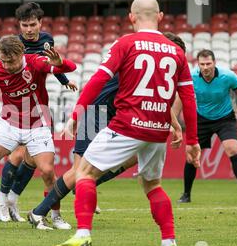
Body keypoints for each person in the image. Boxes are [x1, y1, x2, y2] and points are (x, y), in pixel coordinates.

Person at [50, 0, 201, 246]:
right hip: (156, 130)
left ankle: (83, 234)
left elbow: (98, 80)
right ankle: (169, 243)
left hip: (127, 125)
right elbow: (188, 97)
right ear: (161, 17)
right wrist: (192, 141)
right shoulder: (177, 51)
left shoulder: (126, 43)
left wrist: (77, 113)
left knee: (84, 173)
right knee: (153, 186)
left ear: (131, 17)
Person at [27, 32, 187, 230]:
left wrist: (175, 125)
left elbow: (155, 101)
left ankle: (85, 184)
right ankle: (38, 212)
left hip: (115, 116)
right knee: (78, 171)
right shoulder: (139, 63)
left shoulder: (151, 67)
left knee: (135, 156)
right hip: (95, 112)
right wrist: (77, 115)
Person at [0, 36, 77, 226]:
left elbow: (71, 67)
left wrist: (60, 64)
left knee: (48, 172)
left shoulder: (35, 62)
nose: (7, 65)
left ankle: (56, 216)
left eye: (11, 61)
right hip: (9, 123)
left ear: (21, 54)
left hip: (37, 125)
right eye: (3, 60)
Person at [0, 2, 77, 227]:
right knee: (15, 157)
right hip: (15, 109)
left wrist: (63, 80)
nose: (29, 29)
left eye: (33, 24)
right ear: (19, 26)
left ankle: (13, 199)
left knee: (32, 161)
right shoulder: (12, 45)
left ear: (40, 23)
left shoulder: (46, 41)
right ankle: (4, 201)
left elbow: (50, 65)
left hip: (38, 107)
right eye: (25, 25)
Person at [174, 49, 237, 204]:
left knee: (232, 149)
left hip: (225, 118)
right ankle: (186, 194)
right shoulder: (191, 76)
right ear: (198, 65)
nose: (205, 67)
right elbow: (180, 98)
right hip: (201, 118)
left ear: (214, 63)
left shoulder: (227, 75)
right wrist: (174, 121)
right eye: (202, 64)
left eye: (208, 63)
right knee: (192, 155)